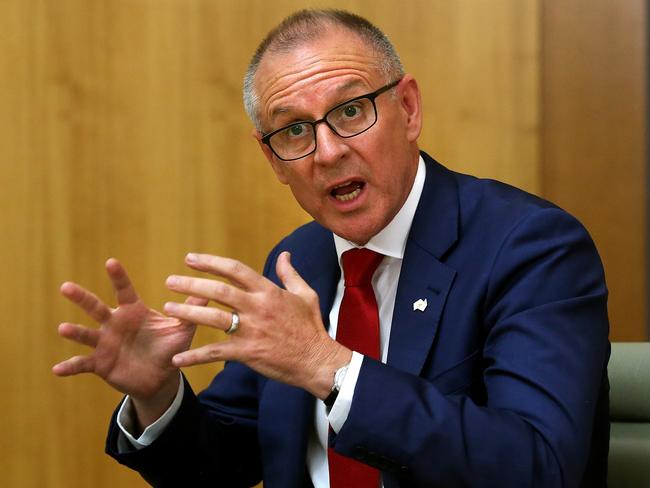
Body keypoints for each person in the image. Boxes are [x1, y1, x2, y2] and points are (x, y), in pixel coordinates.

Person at [53, 9, 610, 488]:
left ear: (409, 109)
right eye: (293, 131)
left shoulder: (530, 247)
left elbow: (539, 466)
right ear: (273, 160)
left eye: (350, 111)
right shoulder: (299, 262)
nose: (326, 152)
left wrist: (329, 366)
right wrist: (159, 396)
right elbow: (220, 465)